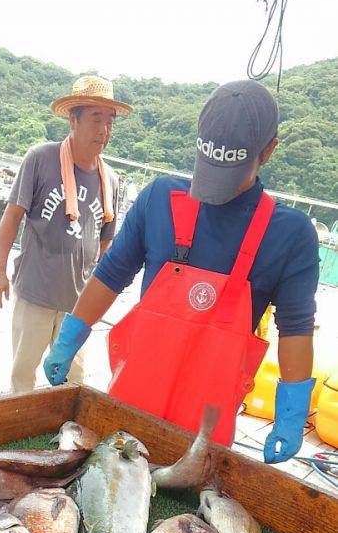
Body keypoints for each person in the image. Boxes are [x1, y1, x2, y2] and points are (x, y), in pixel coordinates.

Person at [44, 80, 319, 464]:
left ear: (268, 151)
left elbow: (296, 327)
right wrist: (71, 335)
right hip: (133, 402)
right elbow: (112, 272)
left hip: (205, 426)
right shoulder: (159, 198)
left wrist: (290, 412)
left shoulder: (290, 234)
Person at [0, 75, 132, 392]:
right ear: (73, 118)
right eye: (96, 118)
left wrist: (98, 304)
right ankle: (18, 432)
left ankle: (63, 440)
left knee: (71, 385)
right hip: (35, 294)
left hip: (77, 308)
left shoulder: (110, 181)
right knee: (22, 376)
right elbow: (12, 217)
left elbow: (106, 247)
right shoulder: (40, 159)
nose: (104, 130)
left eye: (110, 121)